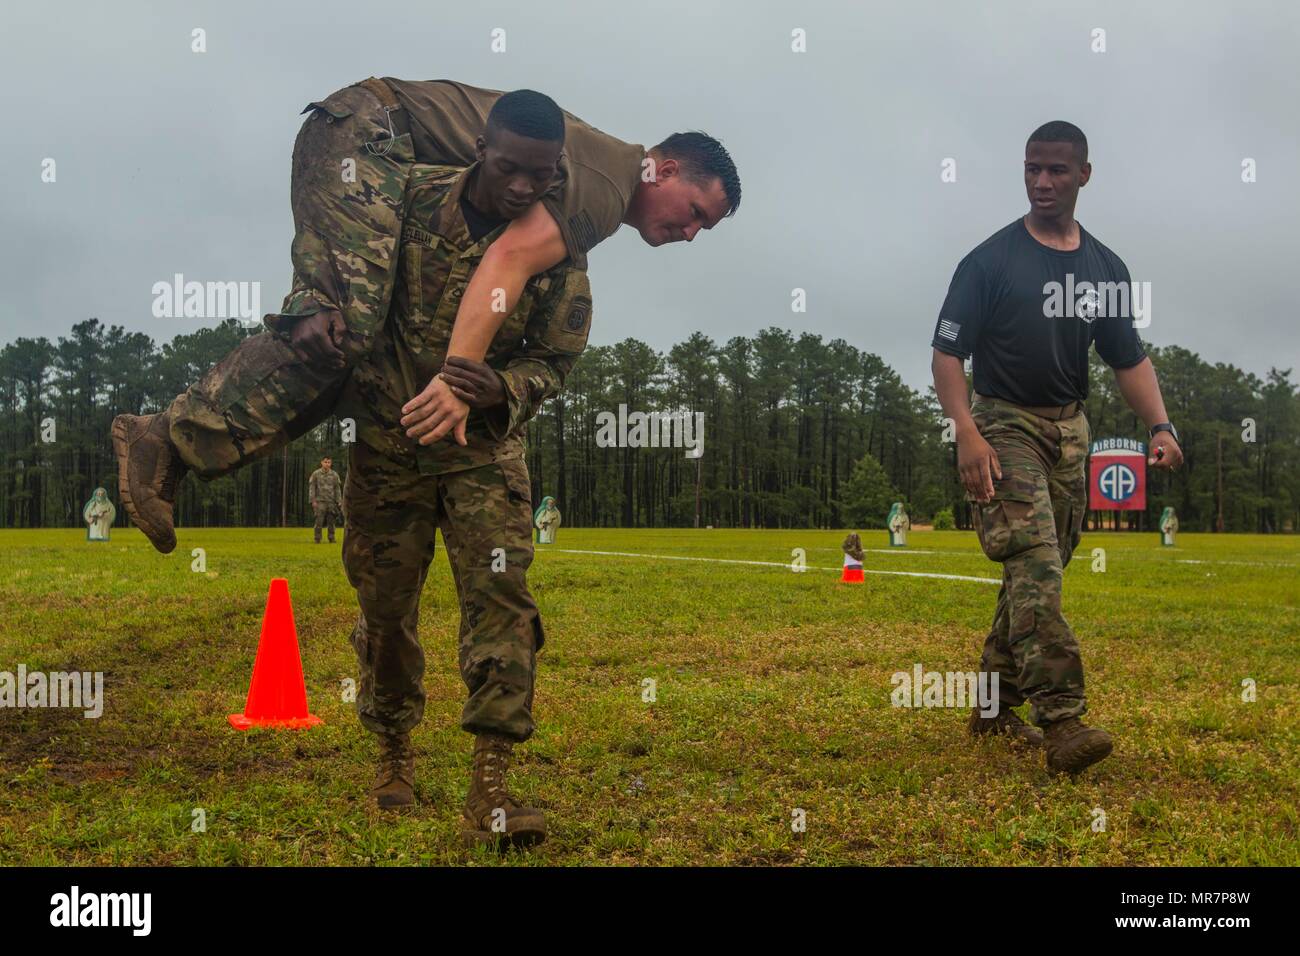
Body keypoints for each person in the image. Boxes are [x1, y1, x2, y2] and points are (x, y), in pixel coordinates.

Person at [112, 77, 740, 554]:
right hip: (366, 136)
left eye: (702, 229)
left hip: (372, 139)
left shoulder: (601, 174)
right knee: (345, 326)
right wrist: (457, 376)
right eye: (695, 213)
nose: (689, 233)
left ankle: (176, 445)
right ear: (669, 168)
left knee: (346, 349)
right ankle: (166, 435)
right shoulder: (606, 192)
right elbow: (505, 268)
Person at [339, 159, 593, 849]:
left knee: (502, 598)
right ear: (481, 147)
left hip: (483, 451)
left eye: (540, 174)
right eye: (509, 166)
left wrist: (503, 389)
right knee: (385, 608)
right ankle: (393, 747)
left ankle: (492, 783)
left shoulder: (557, 244)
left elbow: (554, 359)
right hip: (390, 445)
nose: (522, 186)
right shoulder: (408, 200)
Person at [930, 121, 1183, 775]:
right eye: (1032, 169)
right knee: (1036, 565)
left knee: (1033, 571)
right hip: (1002, 426)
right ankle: (1063, 720)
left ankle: (992, 703)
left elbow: (1128, 358)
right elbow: (948, 354)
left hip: (1071, 434)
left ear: (1084, 176)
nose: (1042, 182)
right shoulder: (988, 262)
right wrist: (965, 431)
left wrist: (1160, 426)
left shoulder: (1104, 268)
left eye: (1057, 171)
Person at [308, 457, 343, 543]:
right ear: (322, 463)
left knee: (331, 522)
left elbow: (337, 489)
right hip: (320, 501)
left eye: (329, 462)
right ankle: (317, 538)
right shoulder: (316, 474)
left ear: (331, 464)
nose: (327, 464)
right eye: (325, 462)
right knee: (319, 521)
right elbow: (312, 487)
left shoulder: (334, 475)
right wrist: (313, 500)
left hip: (331, 501)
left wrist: (339, 501)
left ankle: (331, 538)